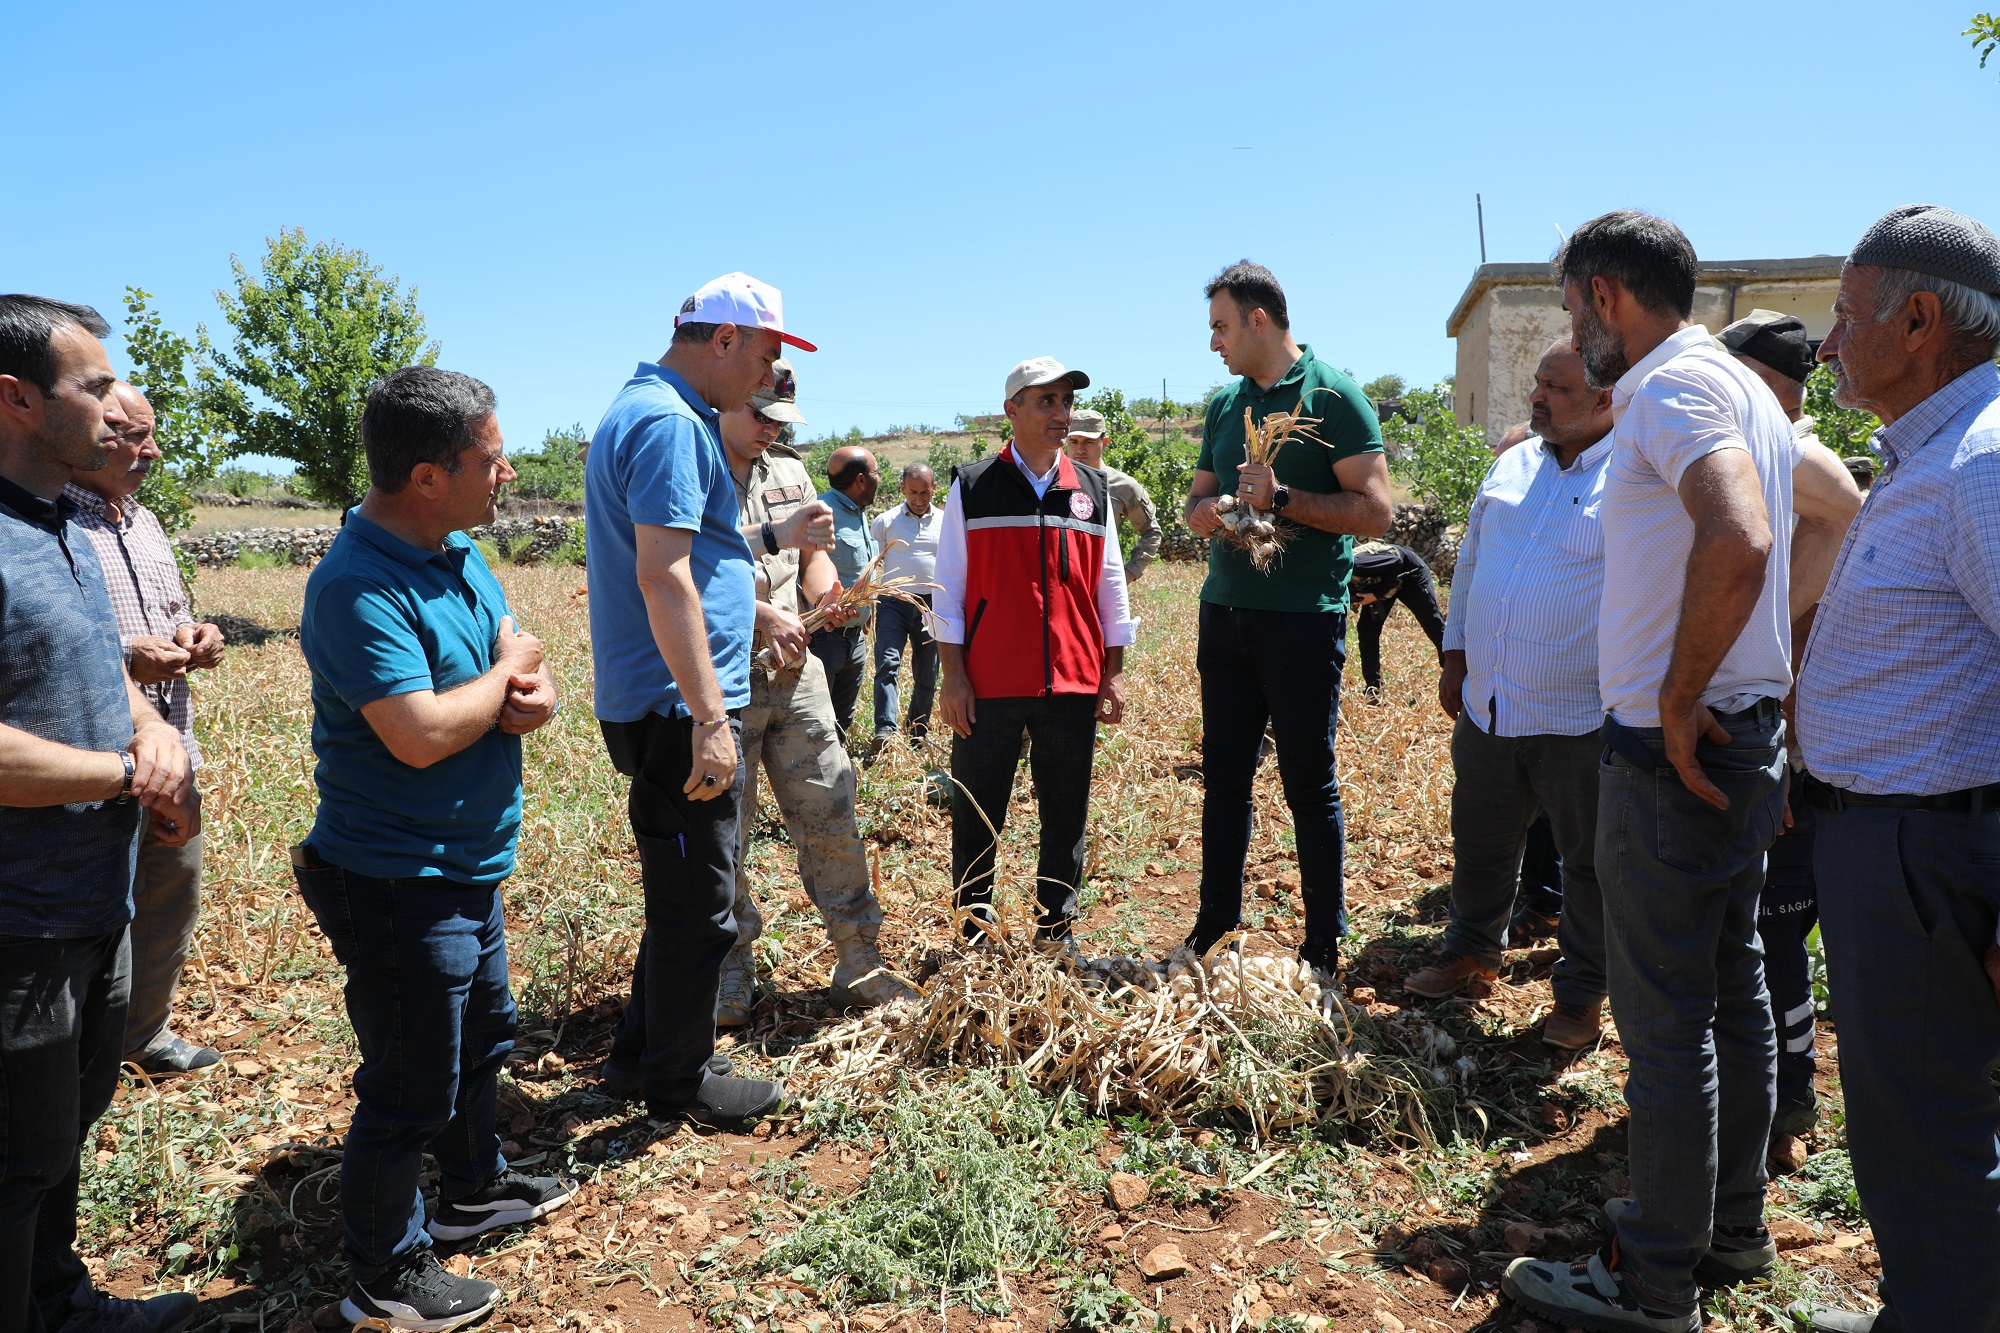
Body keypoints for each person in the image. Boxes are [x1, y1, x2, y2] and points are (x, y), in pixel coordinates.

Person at [1502, 211, 1849, 1333]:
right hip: (1739, 737)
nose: (1571, 334)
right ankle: (1732, 1226)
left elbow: (1740, 534)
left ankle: (1651, 1276)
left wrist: (1674, 691)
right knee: (1732, 988)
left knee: (1662, 1021)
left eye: (1568, 309)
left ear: (1603, 296)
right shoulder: (1740, 386)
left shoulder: (1665, 388)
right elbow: (1801, 520)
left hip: (1675, 751)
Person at [293, 367, 573, 1331]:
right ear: (426, 474)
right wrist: (505, 681)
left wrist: (517, 691)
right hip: (397, 877)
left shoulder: (454, 548)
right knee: (411, 1077)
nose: (506, 474)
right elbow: (415, 731)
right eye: (490, 461)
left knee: (479, 1040)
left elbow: (511, 642)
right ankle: (385, 1271)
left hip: (465, 864)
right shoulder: (355, 585)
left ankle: (471, 1190)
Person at [1789, 204, 2000, 1333]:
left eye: (1842, 316)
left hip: (1928, 848)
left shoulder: (1977, 463)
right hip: (1896, 844)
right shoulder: (1931, 457)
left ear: (1917, 320)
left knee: (1924, 1123)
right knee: (1909, 1118)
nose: (1825, 345)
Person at [0, 294, 198, 1333]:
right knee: (14, 1159)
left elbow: (88, 660)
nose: (119, 407)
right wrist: (122, 775)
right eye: (93, 386)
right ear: (17, 400)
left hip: (92, 896)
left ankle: (58, 1303)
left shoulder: (65, 524)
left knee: (63, 1130)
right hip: (16, 922)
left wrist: (148, 731)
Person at [585, 272, 803, 1127]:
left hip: (662, 698)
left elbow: (687, 563)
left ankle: (641, 1055)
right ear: (722, 340)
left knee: (680, 898)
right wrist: (711, 719)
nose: (768, 375)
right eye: (764, 353)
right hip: (678, 710)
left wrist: (746, 606)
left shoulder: (648, 408)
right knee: (702, 911)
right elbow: (663, 571)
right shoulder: (672, 423)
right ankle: (678, 1079)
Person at [1181, 261, 1394, 977]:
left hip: (1303, 619)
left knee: (1309, 782)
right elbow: (1195, 502)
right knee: (1226, 778)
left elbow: (1374, 511)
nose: (1213, 341)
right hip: (1226, 614)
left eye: (1220, 325)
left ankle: (1323, 945)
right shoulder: (1224, 406)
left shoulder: (1335, 396)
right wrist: (1209, 514)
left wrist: (1282, 501)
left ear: (1258, 320)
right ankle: (1213, 928)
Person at [1401, 340, 1615, 1050]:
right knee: (1483, 841)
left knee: (1586, 863)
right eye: (1537, 383)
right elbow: (1470, 566)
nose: (1537, 397)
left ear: (1605, 398)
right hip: (1491, 704)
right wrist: (1455, 652)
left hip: (1578, 715)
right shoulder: (1512, 463)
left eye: (1554, 387)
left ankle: (1581, 996)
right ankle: (1469, 954)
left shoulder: (1634, 477)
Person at [709, 362, 913, 1025]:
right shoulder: (692, 462)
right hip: (723, 676)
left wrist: (827, 591)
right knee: (725, 832)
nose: (769, 428)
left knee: (831, 805)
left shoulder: (791, 474)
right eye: (759, 414)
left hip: (795, 675)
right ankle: (730, 970)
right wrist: (761, 612)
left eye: (780, 419)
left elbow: (813, 555)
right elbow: (688, 558)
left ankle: (859, 959)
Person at [1716, 309, 1866, 1171]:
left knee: (1773, 937)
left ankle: (1790, 1101)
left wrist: (1778, 754)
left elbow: (1803, 648)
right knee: (1756, 937)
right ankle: (1762, 1097)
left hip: (1788, 759)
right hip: (1775, 751)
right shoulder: (1766, 471)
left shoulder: (1799, 470)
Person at [935, 356, 1137, 943]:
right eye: (1044, 401)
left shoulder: (1092, 489)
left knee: (1066, 812)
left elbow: (1111, 585)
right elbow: (948, 588)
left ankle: (1056, 933)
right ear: (1012, 410)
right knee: (978, 812)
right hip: (989, 680)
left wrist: (1113, 673)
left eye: (1064, 401)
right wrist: (954, 677)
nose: (1059, 413)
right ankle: (972, 934)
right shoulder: (973, 486)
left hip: (1073, 678)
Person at [65, 382, 226, 1078]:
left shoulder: (146, 522)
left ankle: (143, 1035)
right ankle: (72, 1057)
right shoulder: (43, 524)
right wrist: (127, 653)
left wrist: (197, 635)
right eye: (131, 434)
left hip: (172, 756)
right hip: (90, 763)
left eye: (150, 434)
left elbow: (170, 612)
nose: (149, 450)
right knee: (85, 919)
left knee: (168, 897)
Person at [868, 462, 941, 748]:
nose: (919, 498)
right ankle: (885, 731)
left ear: (934, 488)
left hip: (931, 604)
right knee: (887, 664)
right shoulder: (886, 521)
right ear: (902, 488)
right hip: (893, 601)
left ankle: (917, 732)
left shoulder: (946, 521)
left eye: (925, 492)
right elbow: (873, 563)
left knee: (928, 670)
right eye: (913, 492)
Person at [811, 444, 879, 743]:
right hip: (825, 638)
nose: (880, 478)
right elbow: (804, 570)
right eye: (876, 472)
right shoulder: (820, 512)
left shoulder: (860, 513)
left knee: (842, 719)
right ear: (861, 480)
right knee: (817, 719)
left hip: (855, 638)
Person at [1063, 409, 1162, 582]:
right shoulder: (1052, 481)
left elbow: (1152, 532)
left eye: (1088, 442)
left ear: (1105, 442)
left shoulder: (1122, 486)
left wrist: (1128, 573)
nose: (1080, 449)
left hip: (1102, 584)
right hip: (1061, 584)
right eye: (1074, 441)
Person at [1346, 541, 1445, 696]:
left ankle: (1455, 676)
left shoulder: (1355, 564)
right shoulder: (1336, 579)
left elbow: (1395, 562)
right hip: (1382, 582)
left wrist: (1375, 595)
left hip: (1409, 572)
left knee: (1434, 625)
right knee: (1367, 631)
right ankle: (1374, 689)